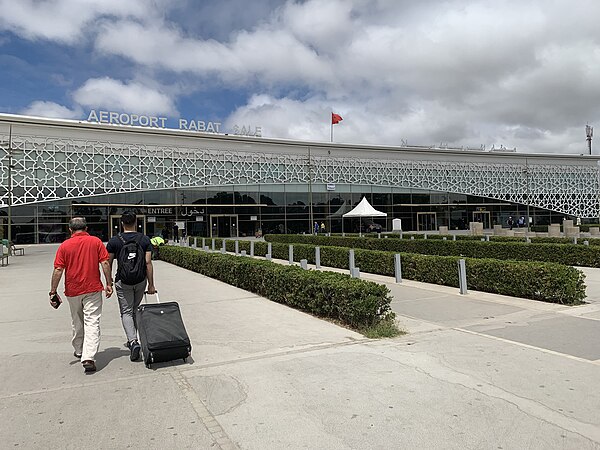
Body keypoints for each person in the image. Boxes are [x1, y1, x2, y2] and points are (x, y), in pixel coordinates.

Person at [49, 217, 113, 373]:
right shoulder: (96, 242)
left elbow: (58, 269)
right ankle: (88, 357)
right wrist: (109, 283)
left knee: (77, 320)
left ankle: (79, 350)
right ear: (86, 228)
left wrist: (53, 291)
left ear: (70, 230)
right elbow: (105, 262)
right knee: (92, 321)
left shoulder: (64, 246)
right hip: (93, 288)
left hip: (73, 290)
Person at [106, 211, 156, 362]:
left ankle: (133, 342)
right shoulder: (144, 239)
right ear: (136, 222)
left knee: (126, 312)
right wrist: (151, 285)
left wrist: (108, 283)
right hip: (140, 280)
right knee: (135, 310)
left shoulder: (115, 241)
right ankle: (135, 338)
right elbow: (148, 263)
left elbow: (108, 263)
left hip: (123, 281)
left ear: (122, 223)